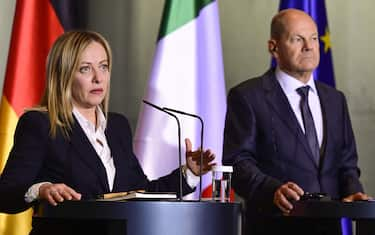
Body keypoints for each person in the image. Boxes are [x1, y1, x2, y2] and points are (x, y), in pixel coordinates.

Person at [0, 31, 215, 234]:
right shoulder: (40, 124)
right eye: (85, 68)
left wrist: (190, 173)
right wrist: (41, 189)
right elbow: (5, 194)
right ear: (64, 75)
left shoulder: (117, 126)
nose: (98, 78)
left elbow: (139, 192)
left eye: (103, 67)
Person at [223, 9, 370, 235]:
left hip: (329, 229)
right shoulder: (248, 96)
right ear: (274, 47)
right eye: (297, 39)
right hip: (274, 226)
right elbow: (237, 163)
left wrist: (354, 192)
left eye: (313, 38)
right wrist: (271, 190)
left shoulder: (335, 99)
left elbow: (346, 164)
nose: (309, 47)